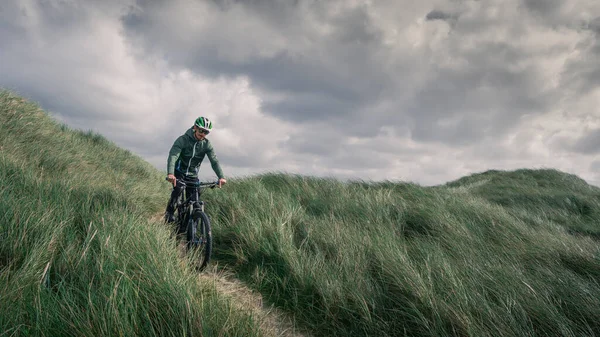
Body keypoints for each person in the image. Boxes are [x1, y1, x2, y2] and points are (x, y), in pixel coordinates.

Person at [164, 116, 227, 226]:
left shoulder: (207, 144)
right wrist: (170, 173)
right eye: (201, 130)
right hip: (179, 172)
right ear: (195, 127)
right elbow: (173, 156)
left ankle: (191, 228)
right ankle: (169, 213)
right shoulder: (183, 140)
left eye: (206, 132)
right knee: (178, 189)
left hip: (193, 175)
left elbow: (214, 161)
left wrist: (221, 177)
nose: (203, 134)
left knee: (196, 201)